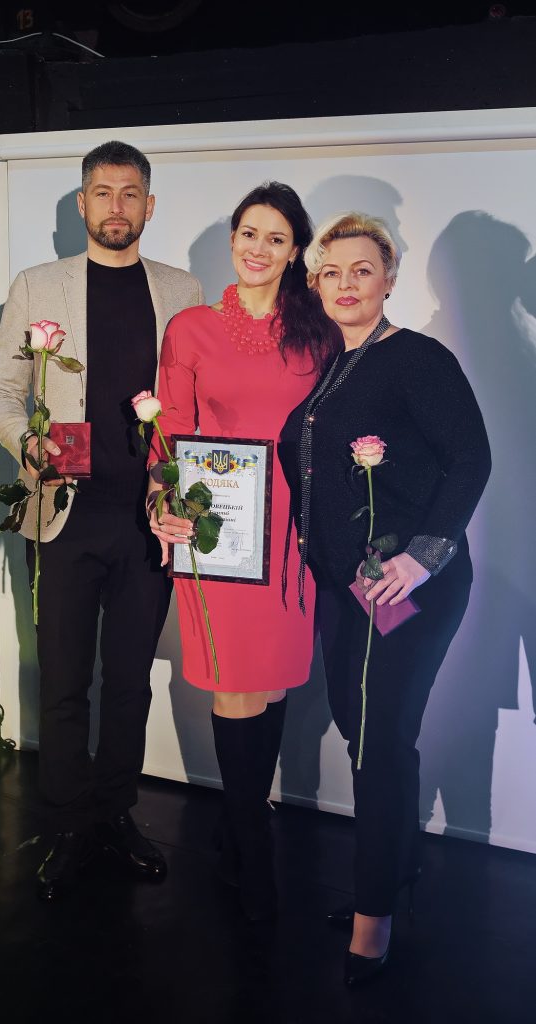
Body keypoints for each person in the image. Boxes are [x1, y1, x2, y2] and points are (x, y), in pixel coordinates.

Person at [0, 141, 204, 900]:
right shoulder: (37, 286)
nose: (116, 206)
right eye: (102, 192)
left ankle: (114, 813)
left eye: (130, 192)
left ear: (149, 204)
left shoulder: (182, 290)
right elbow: (0, 392)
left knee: (130, 681)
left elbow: (194, 400)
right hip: (64, 515)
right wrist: (28, 442)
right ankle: (68, 822)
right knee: (64, 679)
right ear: (82, 204)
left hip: (147, 518)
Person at [278, 212, 491, 983]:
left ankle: (374, 919)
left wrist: (422, 558)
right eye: (331, 272)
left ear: (389, 278)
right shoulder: (330, 364)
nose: (345, 284)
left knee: (375, 745)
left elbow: (469, 459)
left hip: (404, 586)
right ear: (315, 283)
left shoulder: (415, 358)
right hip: (347, 586)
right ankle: (395, 871)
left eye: (361, 270)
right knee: (366, 731)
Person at [146, 182, 337, 921]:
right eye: (248, 233)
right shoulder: (190, 328)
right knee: (232, 685)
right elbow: (170, 428)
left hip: (292, 528)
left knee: (275, 680)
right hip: (217, 528)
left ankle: (239, 825)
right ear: (233, 239)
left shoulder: (318, 330)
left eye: (275, 239)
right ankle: (253, 849)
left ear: (295, 253)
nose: (258, 249)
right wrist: (162, 502)